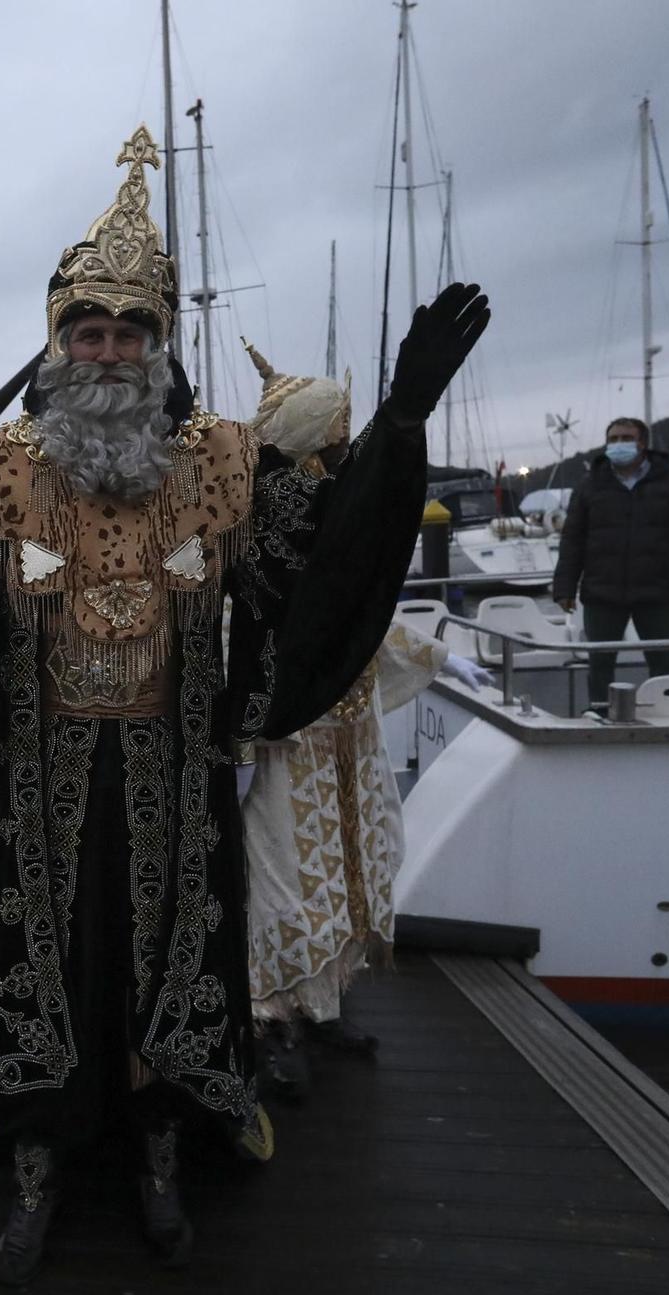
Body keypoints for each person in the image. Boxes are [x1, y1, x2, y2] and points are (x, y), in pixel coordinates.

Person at [0, 126, 488, 1286]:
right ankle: (41, 1142)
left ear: (159, 343)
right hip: (35, 769)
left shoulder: (222, 462)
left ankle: (159, 1137)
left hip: (175, 759)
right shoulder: (2, 466)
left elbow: (314, 573)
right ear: (57, 343)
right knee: (45, 949)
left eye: (128, 331)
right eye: (86, 331)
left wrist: (397, 428)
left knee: (166, 952)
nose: (107, 351)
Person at [235, 345, 495, 1099]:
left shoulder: (335, 506)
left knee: (354, 864)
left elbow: (356, 614)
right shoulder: (256, 520)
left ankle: (321, 1004)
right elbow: (239, 624)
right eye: (337, 434)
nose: (346, 447)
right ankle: (268, 1018)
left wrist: (438, 655)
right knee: (283, 876)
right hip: (288, 733)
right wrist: (240, 734)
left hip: (349, 731)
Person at [550, 416, 669, 709]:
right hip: (601, 592)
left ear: (642, 444)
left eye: (626, 438)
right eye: (613, 439)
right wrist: (564, 588)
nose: (618, 444)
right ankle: (600, 715)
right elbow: (572, 540)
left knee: (663, 662)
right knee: (599, 664)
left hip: (659, 592)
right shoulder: (589, 486)